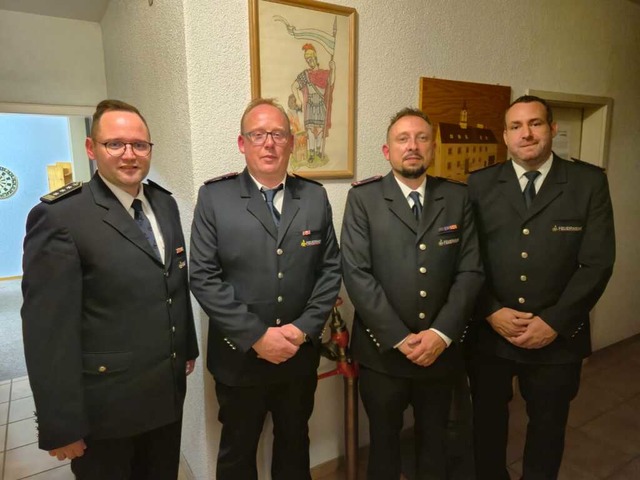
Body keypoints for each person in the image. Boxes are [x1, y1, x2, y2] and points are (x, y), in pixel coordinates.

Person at [21, 99, 199, 479]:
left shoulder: (164, 204)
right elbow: (47, 332)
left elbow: (174, 284)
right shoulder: (61, 217)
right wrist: (61, 424)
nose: (129, 155)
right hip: (106, 408)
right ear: (91, 148)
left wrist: (186, 347)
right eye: (115, 144)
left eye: (139, 145)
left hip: (165, 394)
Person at [189, 98, 341, 479]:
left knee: (294, 445)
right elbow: (203, 276)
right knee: (237, 453)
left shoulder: (314, 196)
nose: (269, 143)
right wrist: (256, 336)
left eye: (277, 134)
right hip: (239, 359)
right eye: (258, 135)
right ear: (242, 143)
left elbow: (329, 270)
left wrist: (302, 330)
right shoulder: (215, 198)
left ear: (292, 143)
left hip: (297, 355)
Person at [466, 95, 616, 479]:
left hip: (557, 337)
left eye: (535, 123)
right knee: (486, 424)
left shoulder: (587, 183)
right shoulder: (479, 184)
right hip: (491, 334)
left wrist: (554, 322)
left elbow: (597, 263)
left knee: (548, 428)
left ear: (552, 129)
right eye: (516, 126)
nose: (526, 133)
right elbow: (467, 260)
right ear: (505, 136)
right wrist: (490, 310)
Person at [340, 107, 484, 479]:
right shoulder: (364, 199)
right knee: (384, 447)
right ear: (387, 151)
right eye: (402, 139)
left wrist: (440, 334)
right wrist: (400, 338)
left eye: (421, 138)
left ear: (432, 148)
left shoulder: (456, 197)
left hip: (440, 352)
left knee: (435, 444)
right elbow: (357, 274)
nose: (412, 146)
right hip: (383, 353)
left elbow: (470, 271)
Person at [291, 43, 335, 163]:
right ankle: (311, 154)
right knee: (310, 132)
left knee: (320, 131)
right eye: (307, 60)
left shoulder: (325, 73)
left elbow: (331, 83)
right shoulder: (306, 74)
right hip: (310, 106)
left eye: (311, 58)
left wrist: (334, 69)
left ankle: (318, 152)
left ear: (315, 57)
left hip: (320, 106)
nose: (310, 61)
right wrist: (298, 99)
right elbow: (294, 86)